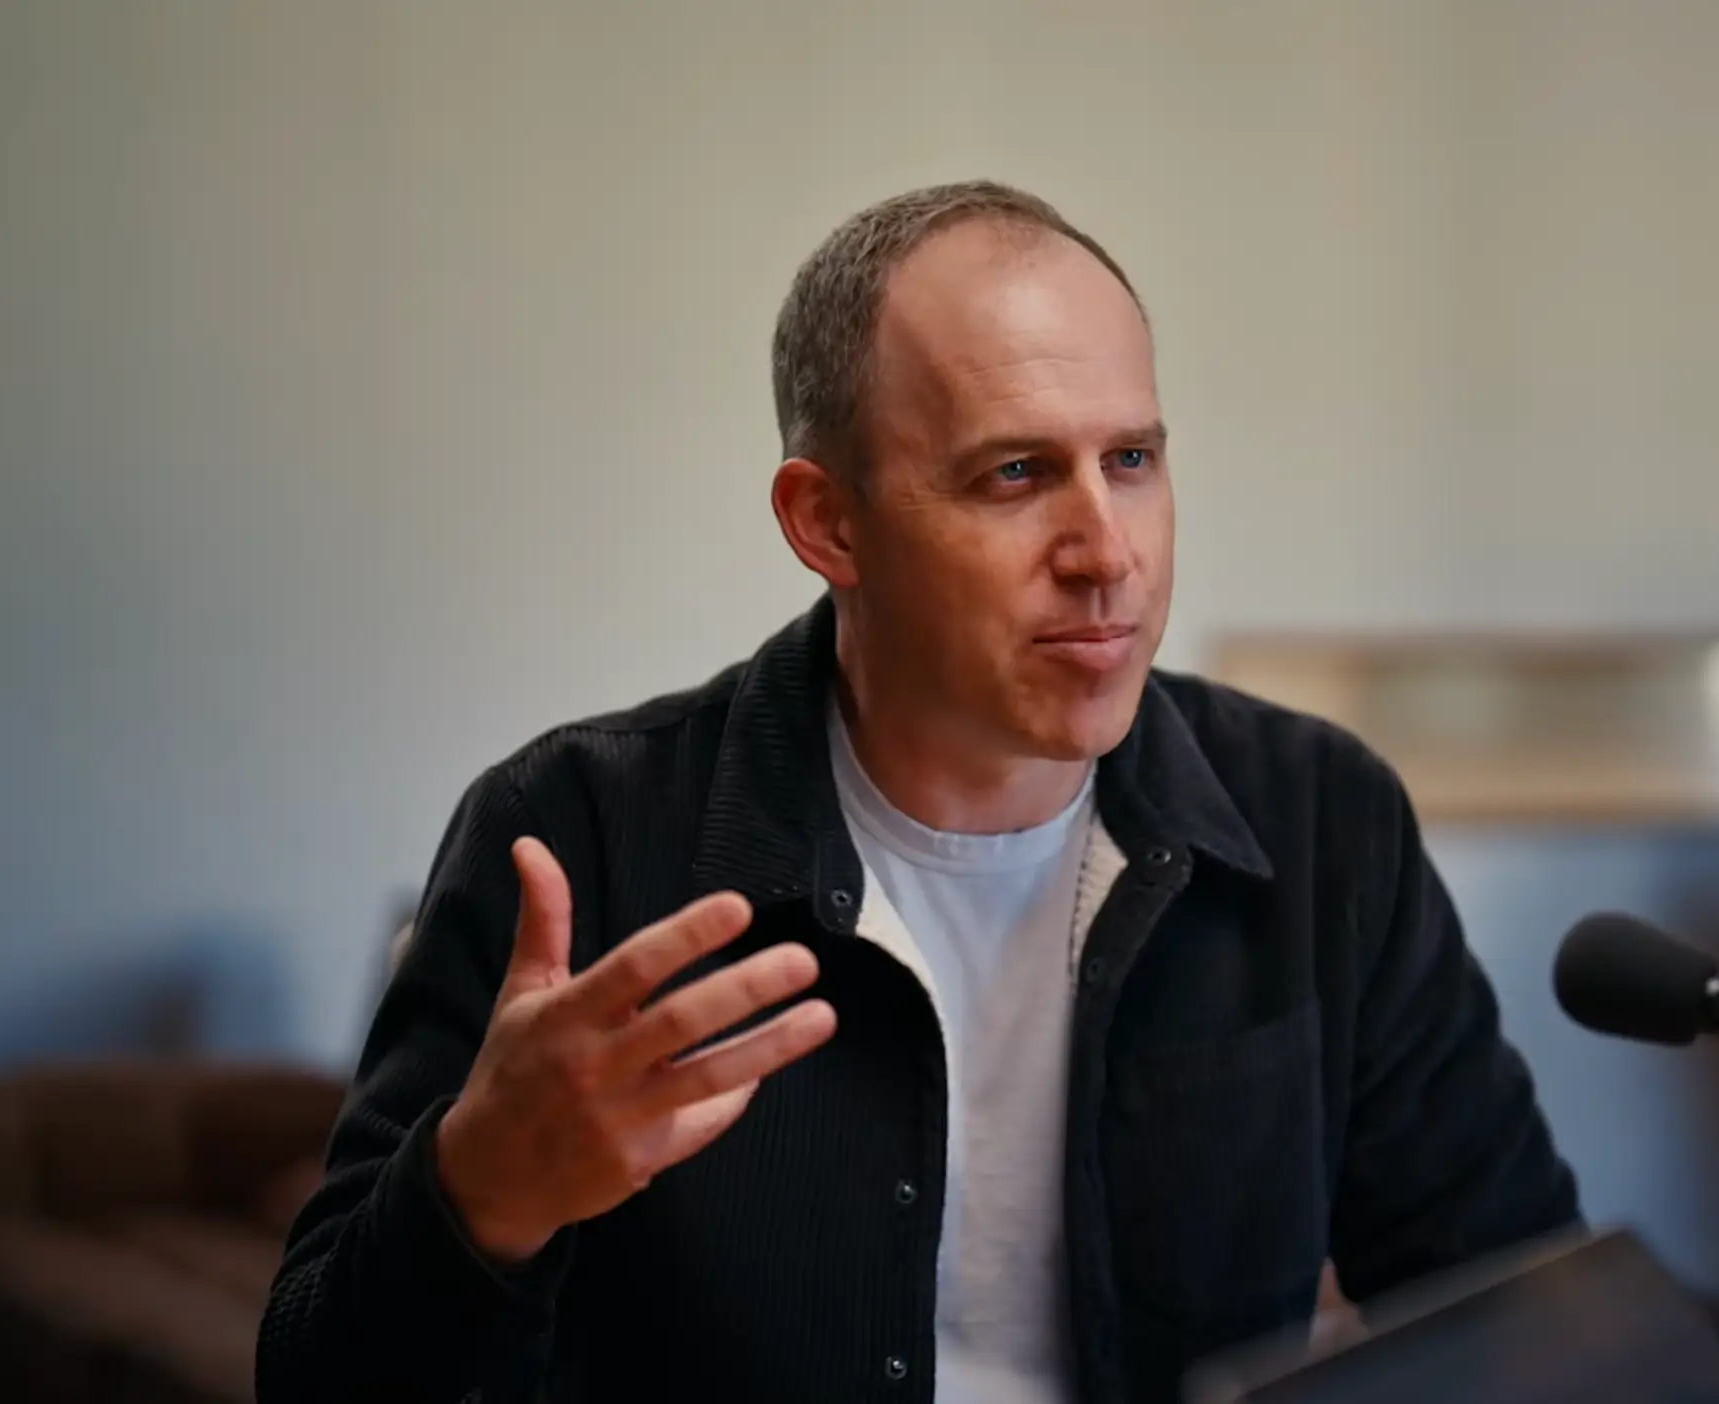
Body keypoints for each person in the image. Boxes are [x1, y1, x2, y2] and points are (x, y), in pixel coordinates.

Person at [257, 181, 1578, 1404]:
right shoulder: (579, 836)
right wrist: (480, 1193)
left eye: (1131, 460)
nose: (1104, 553)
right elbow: (314, 1378)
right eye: (1015, 474)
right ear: (826, 523)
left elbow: (1524, 1318)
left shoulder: (1318, 819)